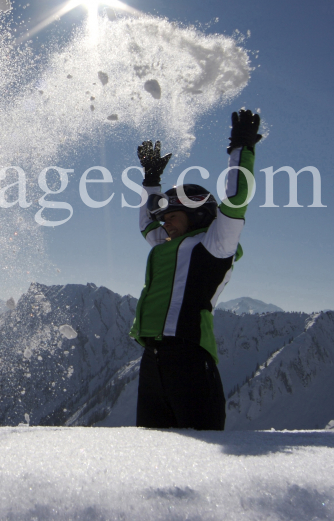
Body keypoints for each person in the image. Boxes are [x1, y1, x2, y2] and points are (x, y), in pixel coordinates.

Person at [129, 109, 261, 430]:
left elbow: (236, 198)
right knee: (149, 450)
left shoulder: (214, 245)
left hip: (190, 359)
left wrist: (241, 147)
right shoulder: (165, 244)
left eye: (173, 214)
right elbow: (148, 220)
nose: (165, 222)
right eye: (166, 217)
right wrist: (150, 180)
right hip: (153, 361)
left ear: (199, 214)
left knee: (204, 452)